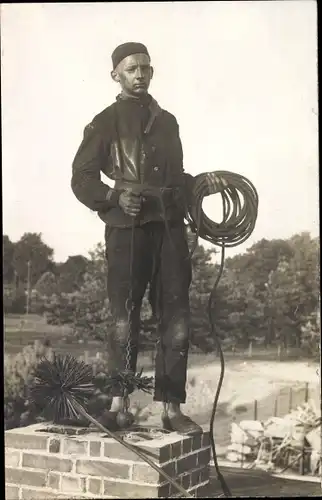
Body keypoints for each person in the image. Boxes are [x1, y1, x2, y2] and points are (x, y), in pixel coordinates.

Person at [71, 42, 226, 434]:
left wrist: (203, 184)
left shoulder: (168, 121)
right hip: (127, 230)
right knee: (124, 319)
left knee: (177, 321)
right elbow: (82, 177)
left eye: (145, 68)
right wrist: (112, 196)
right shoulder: (104, 121)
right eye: (131, 69)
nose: (140, 74)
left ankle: (172, 411)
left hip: (170, 230)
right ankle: (119, 405)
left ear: (152, 72)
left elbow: (177, 177)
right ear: (116, 76)